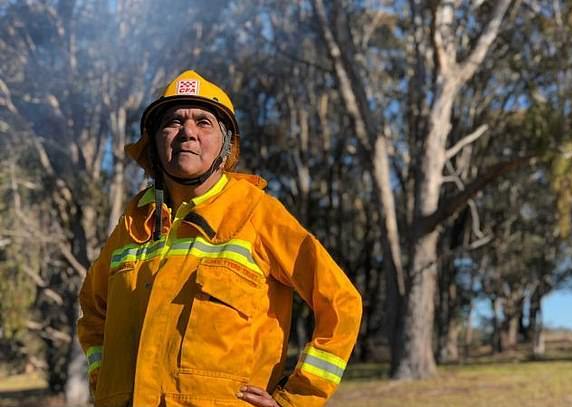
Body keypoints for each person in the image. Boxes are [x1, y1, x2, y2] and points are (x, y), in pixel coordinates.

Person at [77, 70, 363, 407]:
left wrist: (296, 399)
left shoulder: (256, 212)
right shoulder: (132, 223)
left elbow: (342, 302)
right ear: (153, 142)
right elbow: (93, 313)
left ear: (226, 144)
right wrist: (107, 384)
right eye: (173, 122)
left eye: (203, 122)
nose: (188, 132)